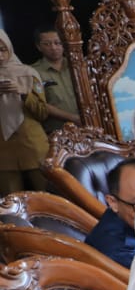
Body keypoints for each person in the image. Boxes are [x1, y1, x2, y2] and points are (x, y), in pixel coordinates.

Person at [0, 29, 49, 195]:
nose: (0, 56)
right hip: (3, 154)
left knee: (48, 198)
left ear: (10, 48)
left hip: (33, 147)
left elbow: (42, 112)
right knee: (10, 205)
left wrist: (23, 93)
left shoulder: (28, 73)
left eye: (2, 50)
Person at [29, 28, 79, 135]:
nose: (53, 47)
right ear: (38, 47)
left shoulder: (77, 66)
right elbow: (40, 104)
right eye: (47, 44)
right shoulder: (33, 72)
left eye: (57, 43)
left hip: (87, 127)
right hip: (56, 131)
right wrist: (73, 118)